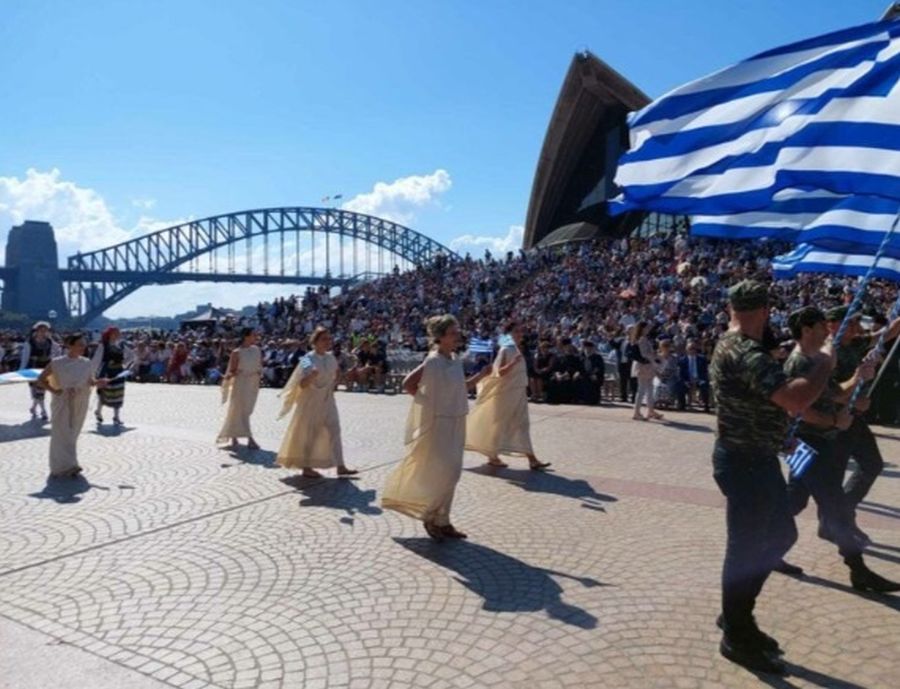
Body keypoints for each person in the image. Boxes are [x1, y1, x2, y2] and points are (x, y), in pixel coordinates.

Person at [710, 280, 836, 675]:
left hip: (755, 459)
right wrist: (825, 364)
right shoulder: (746, 352)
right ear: (764, 311)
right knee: (746, 549)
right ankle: (736, 632)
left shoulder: (733, 345)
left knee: (781, 536)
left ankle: (736, 616)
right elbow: (796, 399)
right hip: (746, 462)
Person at [782, 307, 898, 592]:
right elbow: (798, 408)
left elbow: (835, 393)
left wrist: (858, 377)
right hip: (802, 442)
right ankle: (858, 572)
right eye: (821, 324)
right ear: (807, 330)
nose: (827, 328)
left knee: (795, 501)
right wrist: (836, 418)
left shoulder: (816, 359)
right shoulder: (799, 363)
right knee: (835, 506)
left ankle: (762, 550)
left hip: (819, 440)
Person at [382, 315, 481, 542]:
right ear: (440, 337)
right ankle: (430, 516)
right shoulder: (433, 361)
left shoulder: (455, 359)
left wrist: (480, 377)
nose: (458, 335)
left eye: (457, 331)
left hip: (457, 419)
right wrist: (428, 404)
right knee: (446, 472)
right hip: (439, 423)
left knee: (453, 473)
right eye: (453, 332)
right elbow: (408, 383)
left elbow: (460, 388)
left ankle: (443, 520)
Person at [826, 305, 900, 543]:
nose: (858, 327)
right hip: (833, 423)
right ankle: (832, 523)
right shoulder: (827, 352)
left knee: (871, 464)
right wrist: (854, 399)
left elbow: (887, 333)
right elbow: (825, 391)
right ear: (833, 325)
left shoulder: (855, 342)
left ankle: (842, 515)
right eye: (852, 323)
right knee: (830, 478)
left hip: (853, 419)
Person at [465, 322, 550, 471]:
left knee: (520, 425)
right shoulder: (506, 349)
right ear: (508, 335)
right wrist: (512, 363)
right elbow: (499, 372)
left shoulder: (517, 349)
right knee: (504, 425)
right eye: (516, 332)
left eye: (520, 332)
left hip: (518, 393)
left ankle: (529, 459)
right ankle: (497, 457)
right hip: (506, 394)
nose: (519, 334)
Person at [276, 327, 358, 478]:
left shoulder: (331, 357)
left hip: (327, 399)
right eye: (324, 339)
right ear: (315, 342)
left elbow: (337, 375)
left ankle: (340, 466)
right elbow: (301, 384)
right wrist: (311, 376)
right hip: (310, 400)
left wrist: (347, 376)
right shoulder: (306, 359)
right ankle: (306, 467)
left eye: (329, 339)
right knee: (310, 432)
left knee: (334, 429)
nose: (328, 342)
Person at [36, 334, 109, 478]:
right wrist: (55, 391)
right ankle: (60, 467)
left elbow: (90, 381)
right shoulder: (57, 363)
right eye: (80, 344)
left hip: (80, 401)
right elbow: (41, 380)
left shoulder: (86, 362)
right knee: (61, 433)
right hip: (62, 402)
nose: (83, 347)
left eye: (84, 344)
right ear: (70, 345)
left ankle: (71, 464)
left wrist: (99, 382)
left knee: (73, 433)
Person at [216, 327, 262, 450]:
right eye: (253, 335)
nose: (255, 337)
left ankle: (233, 436)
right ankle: (250, 439)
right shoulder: (237, 352)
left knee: (245, 410)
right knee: (241, 411)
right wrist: (229, 375)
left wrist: (258, 375)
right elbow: (232, 370)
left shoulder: (257, 350)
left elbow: (259, 366)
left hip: (253, 383)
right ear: (246, 336)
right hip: (241, 383)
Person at [19, 321, 59, 421]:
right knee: (36, 390)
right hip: (33, 367)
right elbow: (25, 357)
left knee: (41, 389)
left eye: (45, 331)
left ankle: (37, 409)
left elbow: (56, 354)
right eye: (41, 330)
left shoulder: (51, 343)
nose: (43, 332)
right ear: (36, 331)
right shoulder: (29, 343)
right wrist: (22, 370)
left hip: (45, 368)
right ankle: (42, 410)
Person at [92, 326, 131, 426]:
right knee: (103, 392)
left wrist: (123, 363)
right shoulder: (103, 346)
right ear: (110, 334)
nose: (117, 335)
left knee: (118, 394)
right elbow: (96, 360)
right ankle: (98, 411)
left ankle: (116, 416)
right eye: (115, 333)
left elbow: (132, 356)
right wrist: (92, 373)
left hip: (118, 372)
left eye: (118, 333)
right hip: (106, 372)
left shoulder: (121, 345)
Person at [630, 322, 661, 421]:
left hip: (647, 366)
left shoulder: (644, 338)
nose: (648, 329)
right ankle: (637, 412)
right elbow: (644, 354)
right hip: (644, 366)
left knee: (649, 389)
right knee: (642, 389)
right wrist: (654, 356)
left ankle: (650, 410)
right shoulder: (642, 339)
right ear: (642, 328)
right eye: (647, 328)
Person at [676, 340, 710, 412]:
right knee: (680, 385)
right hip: (687, 380)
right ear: (686, 349)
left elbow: (705, 372)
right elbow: (680, 373)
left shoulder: (702, 359)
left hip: (699, 379)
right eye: (690, 348)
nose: (692, 350)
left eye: (694, 348)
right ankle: (682, 405)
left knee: (705, 385)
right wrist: (685, 381)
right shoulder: (682, 360)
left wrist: (700, 379)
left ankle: (706, 405)